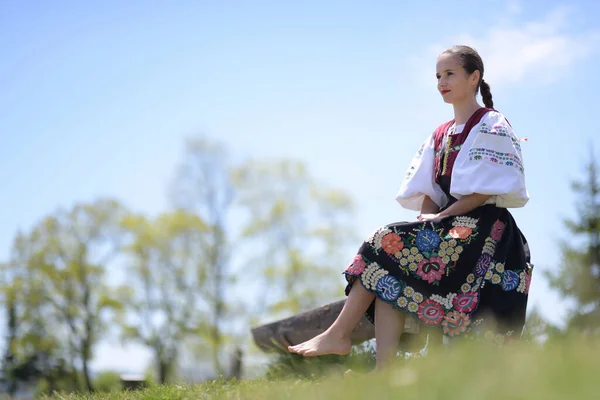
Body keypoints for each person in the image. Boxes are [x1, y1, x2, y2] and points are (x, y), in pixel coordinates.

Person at [288, 45, 533, 370]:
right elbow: (428, 190)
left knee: (385, 240)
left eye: (449, 74)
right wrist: (427, 219)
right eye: (437, 76)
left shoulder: (491, 124)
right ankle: (383, 372)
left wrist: (441, 217)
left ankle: (338, 334)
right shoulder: (439, 134)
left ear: (474, 77)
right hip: (451, 227)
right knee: (391, 263)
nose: (441, 82)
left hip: (484, 232)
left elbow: (482, 192)